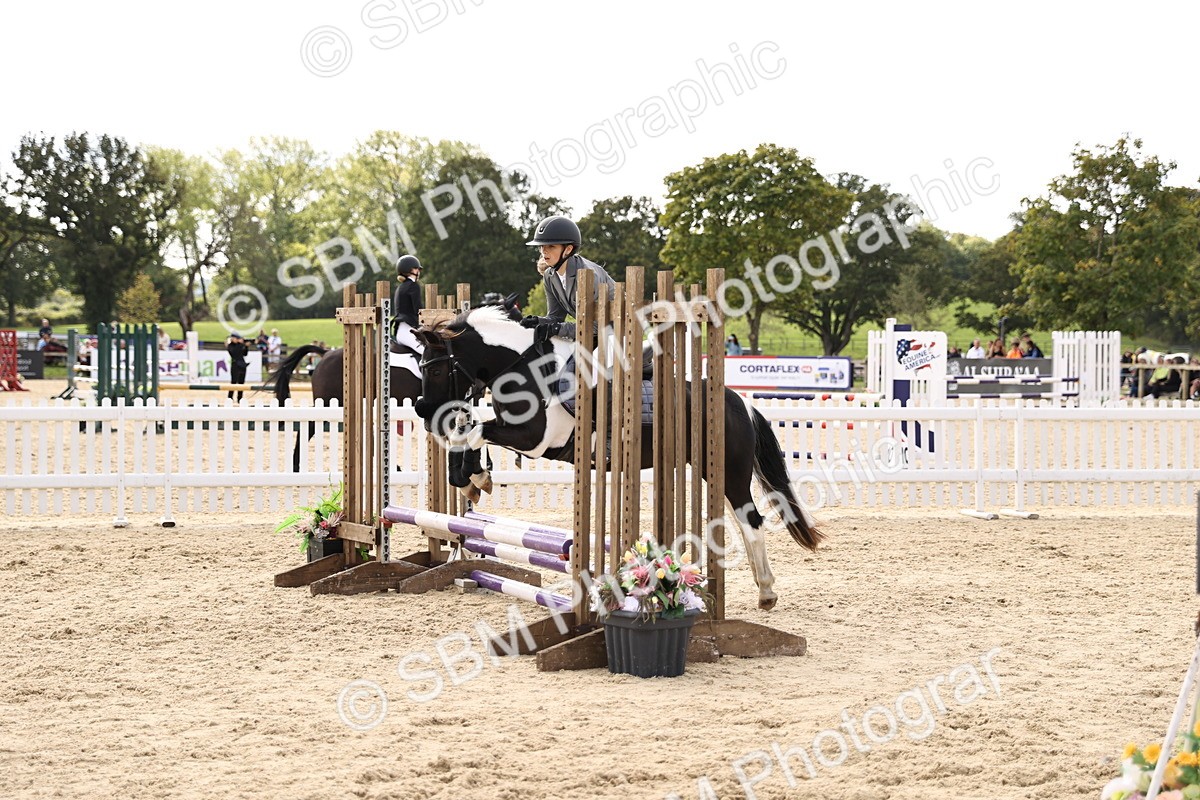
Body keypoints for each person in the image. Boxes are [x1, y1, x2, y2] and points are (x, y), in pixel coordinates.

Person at [518, 215, 615, 343]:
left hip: (620, 333)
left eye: (551, 246)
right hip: (593, 334)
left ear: (568, 249)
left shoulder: (587, 275)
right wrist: (537, 321)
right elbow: (556, 317)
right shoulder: (549, 276)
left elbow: (596, 325)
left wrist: (557, 329)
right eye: (541, 246)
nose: (543, 251)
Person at [392, 254, 424, 354]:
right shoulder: (413, 286)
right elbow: (418, 310)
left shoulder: (400, 287)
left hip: (400, 330)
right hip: (408, 331)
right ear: (412, 270)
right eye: (417, 269)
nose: (418, 272)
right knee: (428, 353)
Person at [226, 333, 249, 402]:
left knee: (241, 382)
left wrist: (246, 346)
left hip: (242, 364)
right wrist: (242, 344)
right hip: (235, 365)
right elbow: (234, 353)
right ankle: (230, 397)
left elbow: (245, 354)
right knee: (233, 382)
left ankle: (240, 398)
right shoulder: (230, 346)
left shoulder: (240, 345)